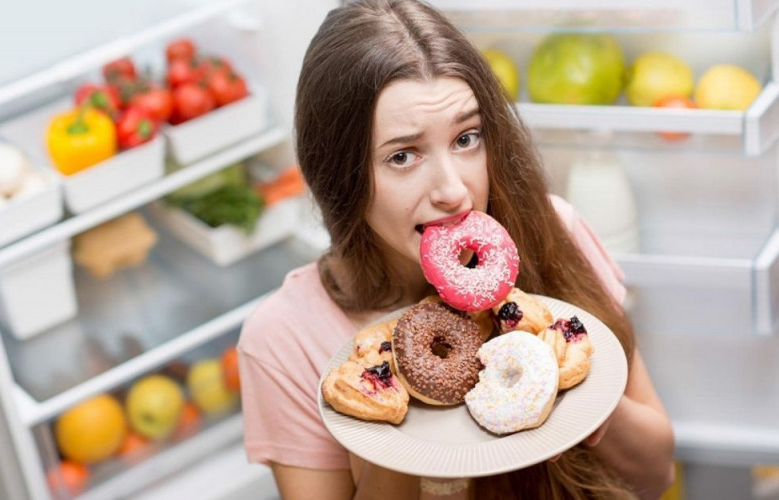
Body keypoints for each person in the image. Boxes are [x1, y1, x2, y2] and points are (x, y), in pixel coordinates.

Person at [237, 0, 675, 498]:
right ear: (340, 177)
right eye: (403, 155)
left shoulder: (554, 230)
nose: (453, 190)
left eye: (467, 138)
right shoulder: (284, 337)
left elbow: (655, 476)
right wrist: (398, 410)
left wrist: (563, 388)